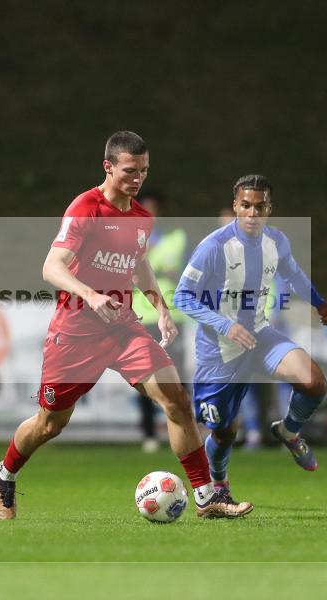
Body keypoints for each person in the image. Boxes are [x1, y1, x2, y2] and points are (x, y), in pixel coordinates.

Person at [0, 132, 252, 520]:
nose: (138, 178)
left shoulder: (142, 218)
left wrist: (160, 306)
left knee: (177, 399)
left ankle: (205, 496)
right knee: (49, 425)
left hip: (122, 329)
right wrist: (91, 295)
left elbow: (138, 264)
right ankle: (5, 473)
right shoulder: (85, 208)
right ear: (108, 166)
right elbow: (52, 266)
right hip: (76, 333)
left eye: (144, 170)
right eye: (130, 170)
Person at [174, 174, 327, 498]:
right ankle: (219, 481)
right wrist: (226, 325)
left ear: (269, 209)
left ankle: (288, 431)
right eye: (246, 205)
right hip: (220, 350)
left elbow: (293, 274)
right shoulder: (214, 247)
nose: (252, 213)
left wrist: (319, 302)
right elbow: (181, 297)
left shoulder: (276, 242)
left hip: (261, 335)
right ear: (235, 206)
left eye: (259, 207)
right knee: (223, 433)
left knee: (314, 382)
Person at [130, 188, 188, 453]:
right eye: (146, 207)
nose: (150, 212)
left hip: (171, 314)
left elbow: (190, 274)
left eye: (154, 207)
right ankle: (149, 433)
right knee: (144, 377)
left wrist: (172, 271)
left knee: (176, 376)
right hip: (141, 315)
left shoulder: (176, 238)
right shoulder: (127, 238)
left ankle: (186, 428)